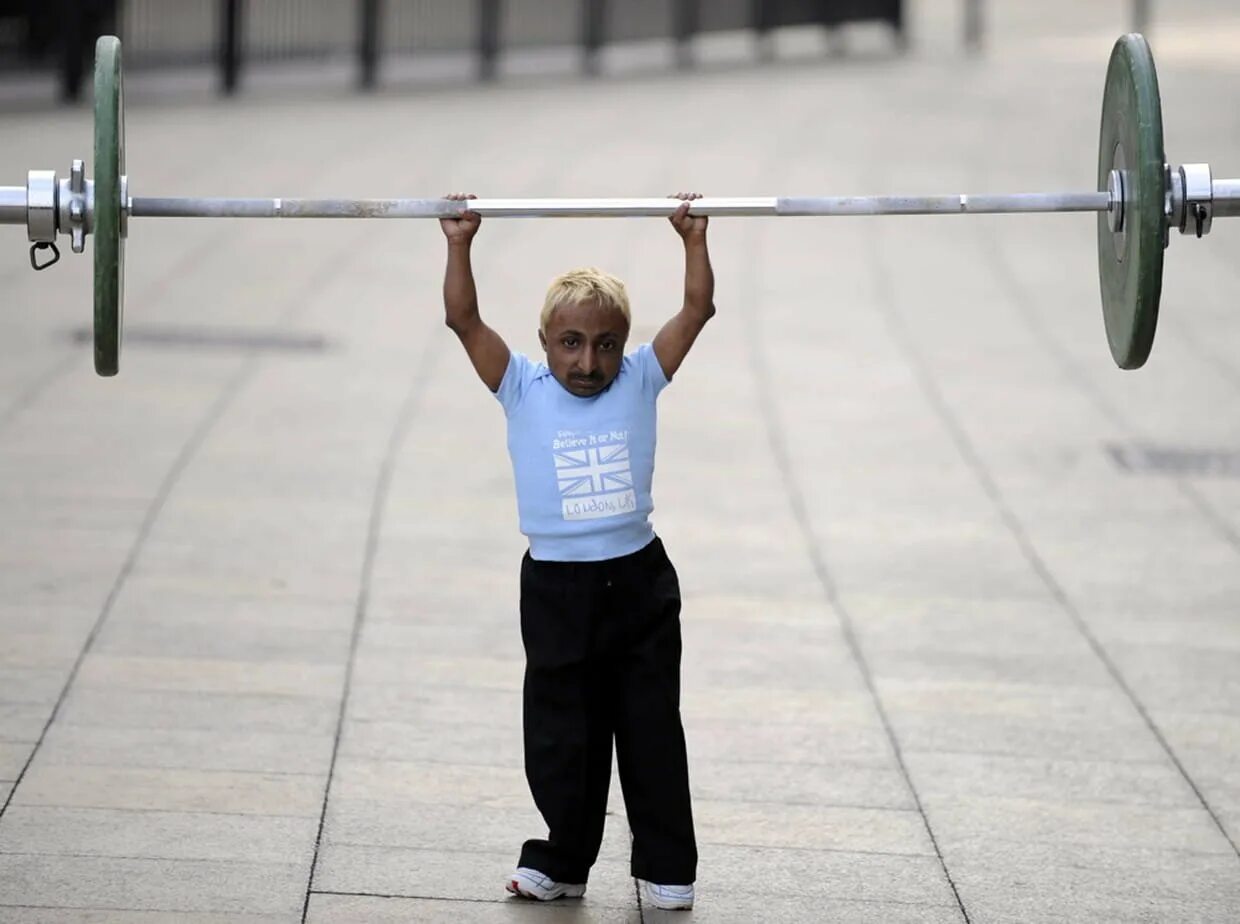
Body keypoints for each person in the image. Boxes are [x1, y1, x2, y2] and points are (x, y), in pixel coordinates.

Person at [438, 191, 715, 911]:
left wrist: (692, 238)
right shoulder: (520, 385)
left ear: (624, 344)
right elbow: (462, 319)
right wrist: (460, 243)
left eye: (604, 344)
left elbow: (697, 311)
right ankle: (562, 861)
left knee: (649, 725)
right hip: (557, 589)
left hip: (639, 582)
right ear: (544, 340)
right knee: (565, 732)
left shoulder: (644, 375)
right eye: (570, 343)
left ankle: (665, 867)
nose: (587, 361)